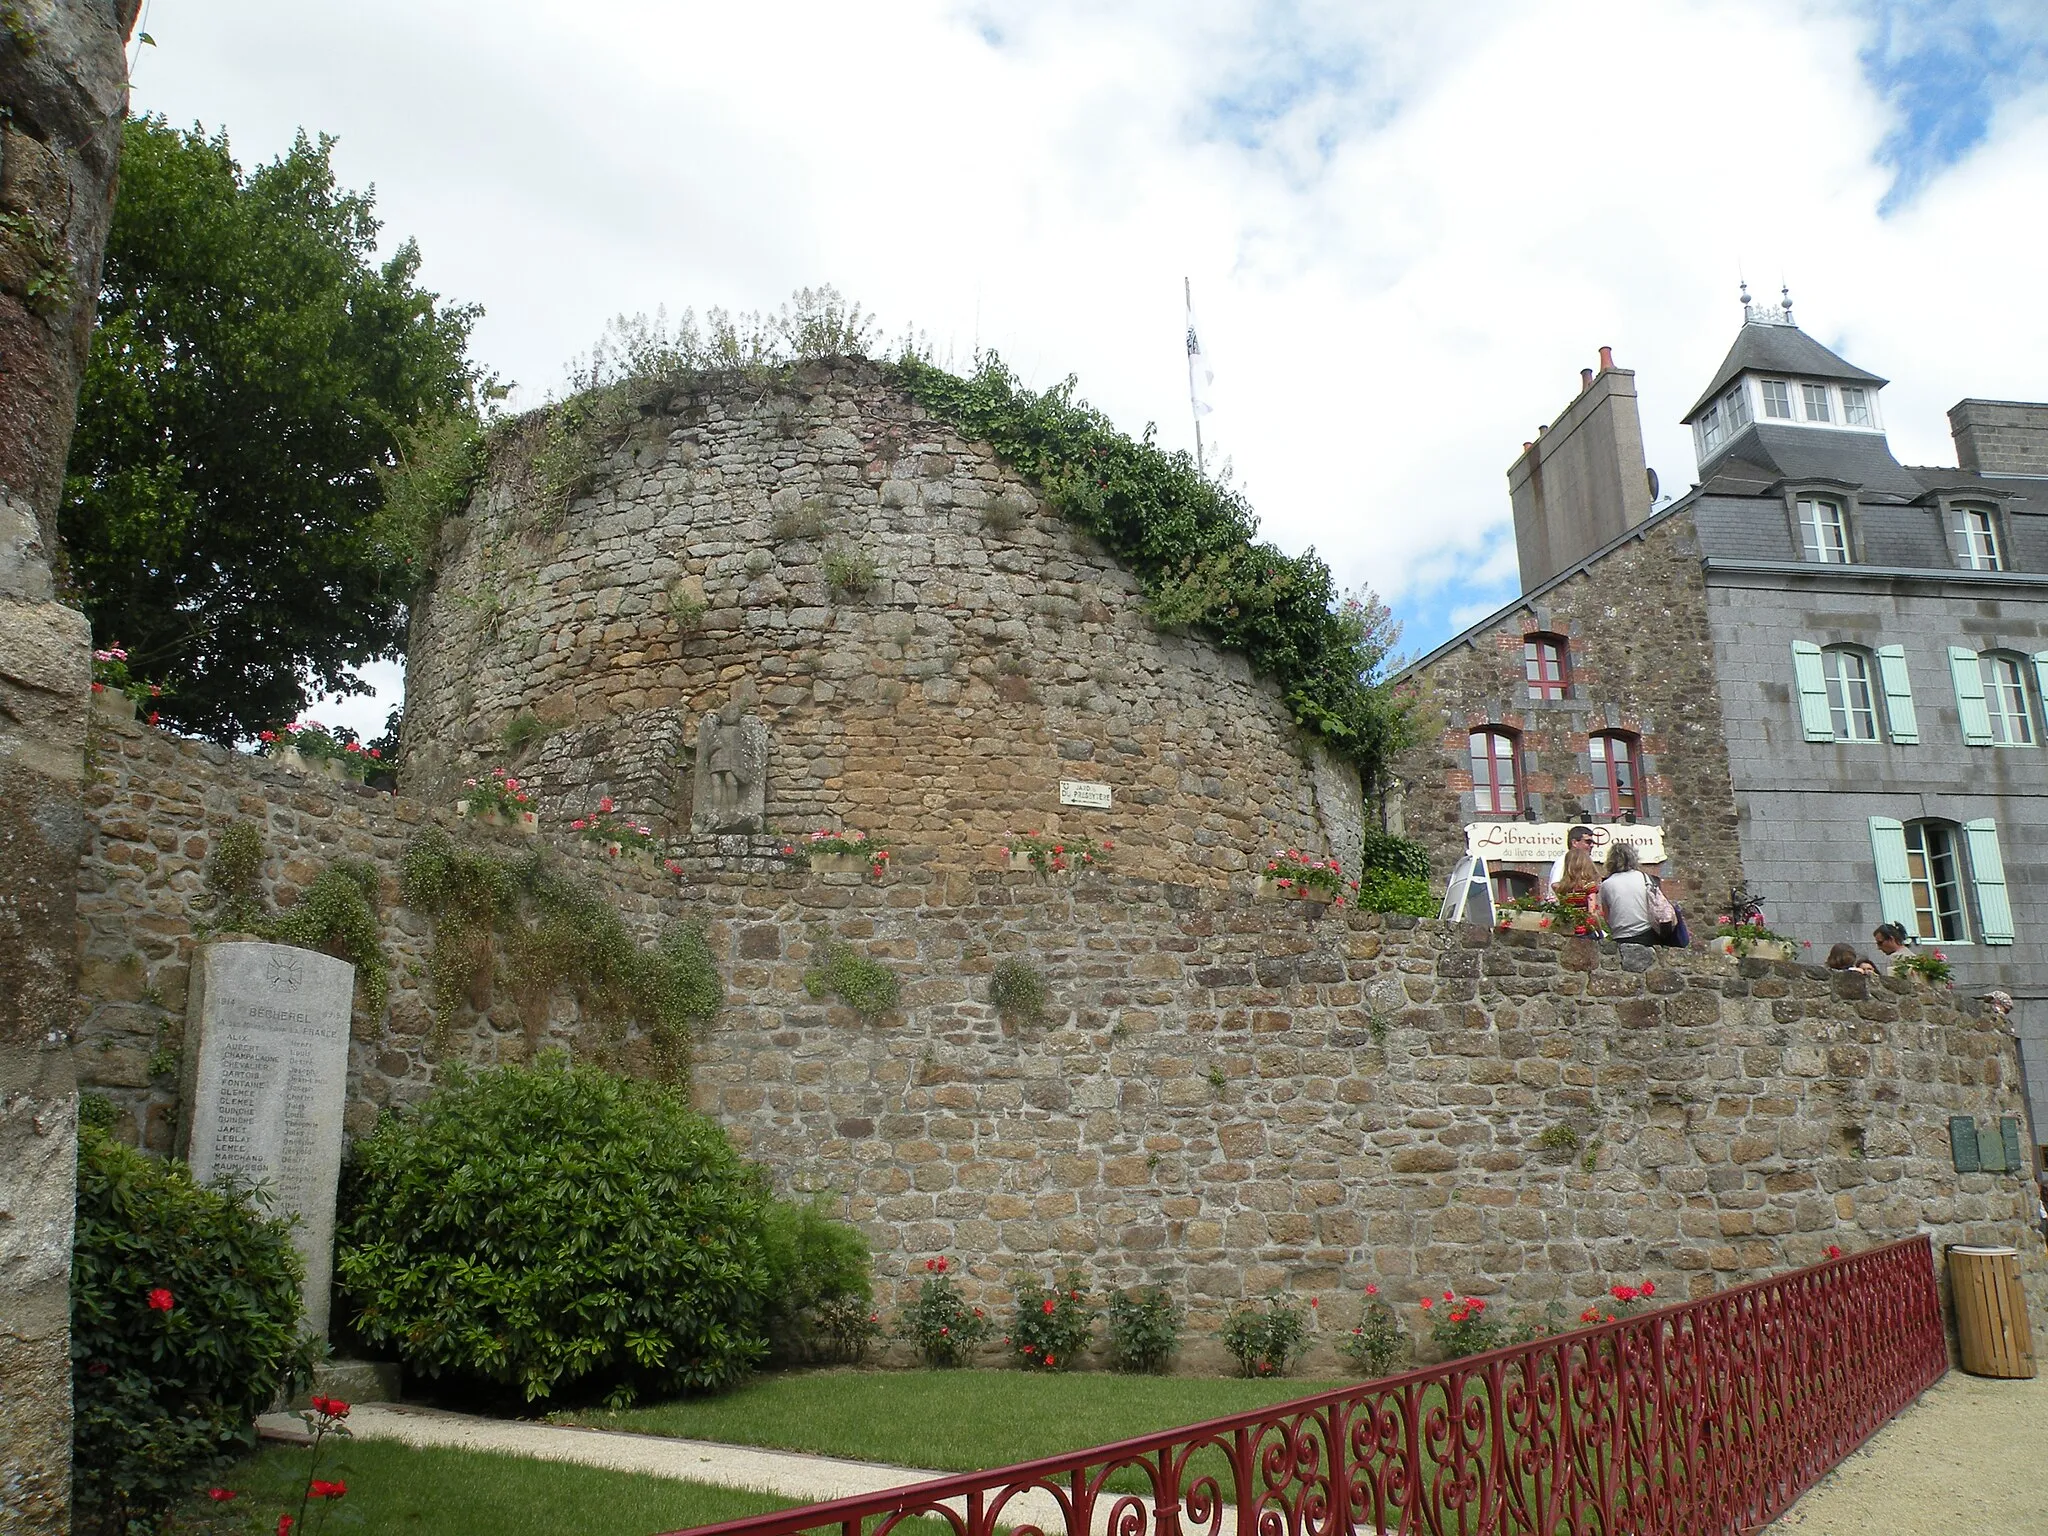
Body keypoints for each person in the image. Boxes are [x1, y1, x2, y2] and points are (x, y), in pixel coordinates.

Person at [1598, 841, 1657, 944]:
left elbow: (1606, 916)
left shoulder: (1606, 884)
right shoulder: (1644, 877)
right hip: (1647, 932)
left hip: (1621, 935)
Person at [1546, 826, 1596, 897]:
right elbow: (1555, 885)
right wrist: (1576, 896)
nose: (1592, 845)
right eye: (1588, 842)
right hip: (1564, 907)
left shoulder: (1585, 861)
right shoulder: (1563, 860)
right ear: (1574, 843)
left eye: (1592, 842)